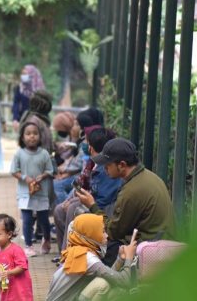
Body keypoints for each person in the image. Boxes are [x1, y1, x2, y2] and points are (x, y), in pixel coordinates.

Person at [76, 137, 176, 266]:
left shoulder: (131, 191)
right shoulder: (150, 177)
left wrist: (92, 206)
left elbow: (113, 232)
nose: (104, 168)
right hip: (160, 242)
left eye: (108, 165)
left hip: (150, 249)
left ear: (122, 165)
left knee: (103, 246)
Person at [54, 126, 122, 254]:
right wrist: (73, 199)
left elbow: (103, 199)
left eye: (87, 142)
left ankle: (70, 253)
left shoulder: (106, 167)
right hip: (94, 202)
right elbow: (84, 188)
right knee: (61, 209)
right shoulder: (92, 163)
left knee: (73, 209)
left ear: (91, 146)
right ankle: (66, 252)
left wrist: (83, 202)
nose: (85, 145)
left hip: (104, 209)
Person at [46, 214, 136, 301]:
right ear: (91, 234)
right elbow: (124, 281)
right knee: (104, 285)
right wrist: (129, 258)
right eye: (103, 232)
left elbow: (111, 275)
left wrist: (120, 259)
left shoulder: (79, 251)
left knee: (107, 282)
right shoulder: (87, 258)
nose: (107, 236)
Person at [10, 122, 54, 257]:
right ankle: (28, 246)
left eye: (35, 133)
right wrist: (25, 177)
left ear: (40, 137)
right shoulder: (19, 154)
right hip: (25, 193)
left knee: (43, 220)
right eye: (28, 134)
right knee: (27, 219)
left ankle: (46, 239)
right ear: (22, 138)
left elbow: (50, 170)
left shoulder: (44, 154)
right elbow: (13, 171)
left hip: (41, 193)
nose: (32, 137)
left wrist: (43, 175)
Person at [0, 214, 33, 301]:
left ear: (9, 234)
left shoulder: (16, 250)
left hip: (20, 289)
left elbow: (22, 266)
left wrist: (9, 273)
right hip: (6, 288)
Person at [12, 64, 45, 133]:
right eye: (22, 74)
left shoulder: (40, 90)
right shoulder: (19, 88)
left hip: (38, 122)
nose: (23, 76)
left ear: (32, 75)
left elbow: (44, 108)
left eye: (25, 74)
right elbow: (16, 103)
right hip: (23, 120)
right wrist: (15, 119)